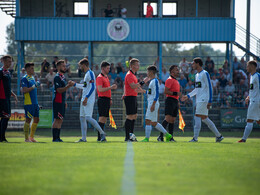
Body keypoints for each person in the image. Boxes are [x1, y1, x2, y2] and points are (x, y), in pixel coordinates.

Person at [181, 57, 224, 142]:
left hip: (203, 99)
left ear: (198, 64)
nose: (192, 65)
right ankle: (218, 136)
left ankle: (195, 138)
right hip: (199, 99)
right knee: (204, 118)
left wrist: (210, 101)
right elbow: (197, 89)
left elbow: (210, 87)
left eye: (193, 63)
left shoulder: (205, 73)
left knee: (197, 116)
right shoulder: (197, 75)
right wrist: (188, 96)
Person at [72, 58, 107, 142]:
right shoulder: (86, 74)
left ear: (84, 65)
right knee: (82, 118)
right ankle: (83, 138)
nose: (80, 68)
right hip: (84, 98)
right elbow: (84, 86)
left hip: (88, 99)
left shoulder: (90, 73)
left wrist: (87, 98)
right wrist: (74, 84)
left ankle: (102, 133)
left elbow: (92, 87)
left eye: (80, 66)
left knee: (88, 117)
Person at [141, 66, 173, 142]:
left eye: (148, 71)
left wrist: (153, 104)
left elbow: (157, 94)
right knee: (154, 123)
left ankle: (146, 138)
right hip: (152, 102)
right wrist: (143, 91)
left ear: (151, 72)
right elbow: (151, 93)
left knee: (147, 120)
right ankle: (168, 135)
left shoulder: (155, 81)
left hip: (153, 102)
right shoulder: (152, 81)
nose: (147, 73)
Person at [123, 58, 149, 141]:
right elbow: (133, 86)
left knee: (134, 116)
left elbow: (135, 88)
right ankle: (127, 137)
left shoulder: (133, 75)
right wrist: (143, 82)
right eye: (137, 64)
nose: (138, 66)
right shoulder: (129, 75)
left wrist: (143, 91)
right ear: (132, 66)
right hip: (129, 97)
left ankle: (131, 135)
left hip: (133, 97)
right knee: (130, 116)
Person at [52, 60, 74, 142]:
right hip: (57, 101)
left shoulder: (63, 77)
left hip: (62, 101)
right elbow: (59, 90)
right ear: (58, 67)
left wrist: (65, 101)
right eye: (63, 66)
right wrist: (68, 86)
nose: (65, 67)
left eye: (65, 66)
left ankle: (58, 137)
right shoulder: (57, 77)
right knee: (57, 119)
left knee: (60, 119)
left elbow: (63, 91)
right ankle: (54, 138)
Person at [238, 61, 260, 142]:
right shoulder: (252, 76)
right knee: (258, 120)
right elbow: (253, 90)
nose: (246, 68)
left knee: (249, 120)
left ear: (252, 66)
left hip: (256, 101)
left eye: (247, 66)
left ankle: (243, 139)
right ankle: (243, 139)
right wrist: (248, 97)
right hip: (254, 100)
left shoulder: (257, 76)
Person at [157, 65, 181, 142]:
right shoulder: (169, 80)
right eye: (176, 70)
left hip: (175, 101)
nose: (178, 71)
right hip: (170, 100)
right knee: (167, 119)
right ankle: (160, 137)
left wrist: (178, 101)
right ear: (172, 72)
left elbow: (176, 94)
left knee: (172, 120)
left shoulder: (176, 80)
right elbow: (166, 91)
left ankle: (170, 137)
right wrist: (175, 93)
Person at [95, 61, 117, 141]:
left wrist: (110, 98)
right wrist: (110, 87)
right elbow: (100, 89)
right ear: (103, 68)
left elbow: (107, 90)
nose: (109, 69)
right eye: (107, 68)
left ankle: (101, 136)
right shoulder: (99, 77)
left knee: (104, 119)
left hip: (106, 99)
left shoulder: (106, 77)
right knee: (101, 118)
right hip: (102, 99)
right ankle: (99, 137)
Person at [0, 55, 18, 142]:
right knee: (5, 116)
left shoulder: (7, 72)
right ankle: (2, 137)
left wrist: (13, 94)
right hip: (2, 98)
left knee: (6, 117)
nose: (10, 63)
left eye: (11, 61)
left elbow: (7, 86)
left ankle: (2, 137)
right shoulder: (1, 71)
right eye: (8, 61)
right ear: (3, 61)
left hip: (7, 98)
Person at [21, 63, 41, 142]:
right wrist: (34, 86)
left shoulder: (32, 78)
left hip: (35, 103)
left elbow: (34, 90)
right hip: (29, 103)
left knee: (36, 119)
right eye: (32, 68)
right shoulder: (24, 78)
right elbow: (25, 90)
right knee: (28, 120)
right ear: (27, 69)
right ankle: (26, 138)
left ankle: (31, 137)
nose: (33, 70)